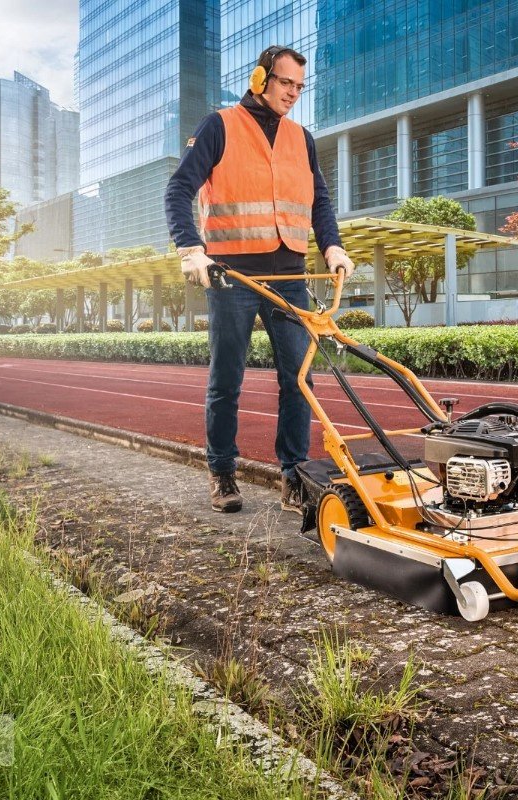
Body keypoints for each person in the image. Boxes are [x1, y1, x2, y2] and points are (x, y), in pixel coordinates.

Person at [165, 45, 353, 514]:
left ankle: (295, 476)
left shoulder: (301, 138)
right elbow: (179, 188)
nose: (293, 93)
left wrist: (332, 246)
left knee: (299, 379)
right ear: (260, 79)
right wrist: (191, 249)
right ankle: (222, 472)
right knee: (227, 378)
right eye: (286, 83)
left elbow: (319, 200)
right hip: (232, 276)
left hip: (289, 275)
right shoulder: (220, 125)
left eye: (299, 87)